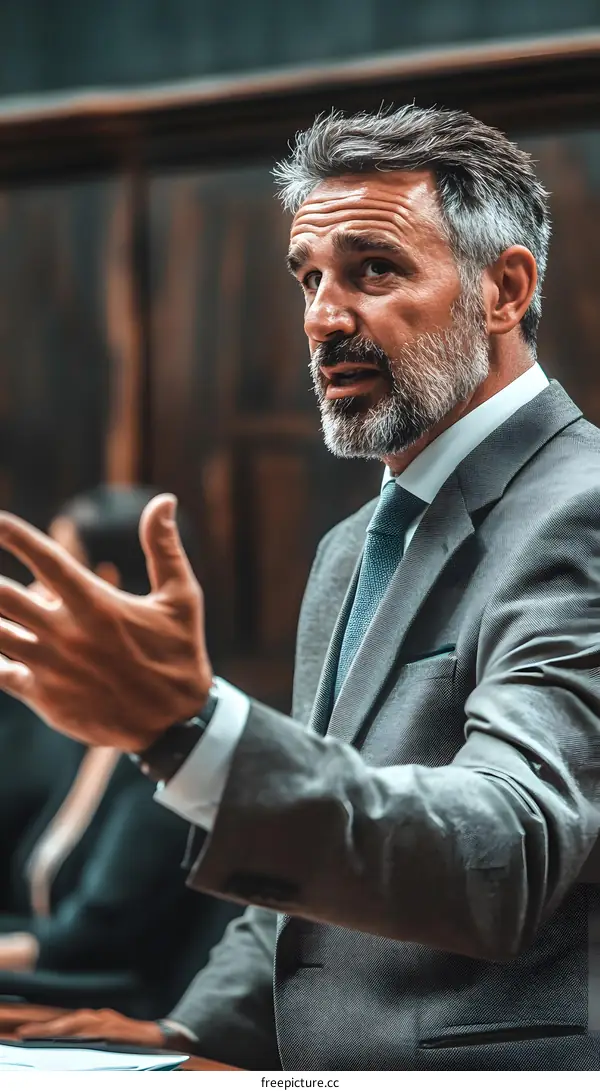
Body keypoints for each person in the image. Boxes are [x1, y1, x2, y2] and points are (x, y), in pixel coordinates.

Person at [0, 105, 598, 1070]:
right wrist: (189, 1036)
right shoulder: (348, 548)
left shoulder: (583, 508)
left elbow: (508, 848)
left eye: (375, 269)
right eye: (309, 276)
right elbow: (306, 867)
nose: (324, 316)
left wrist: (189, 731)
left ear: (504, 289)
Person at [0, 486, 239, 1016]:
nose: (32, 592)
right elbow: (40, 915)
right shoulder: (82, 732)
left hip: (119, 1010)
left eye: (51, 571)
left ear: (101, 585)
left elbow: (95, 938)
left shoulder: (180, 737)